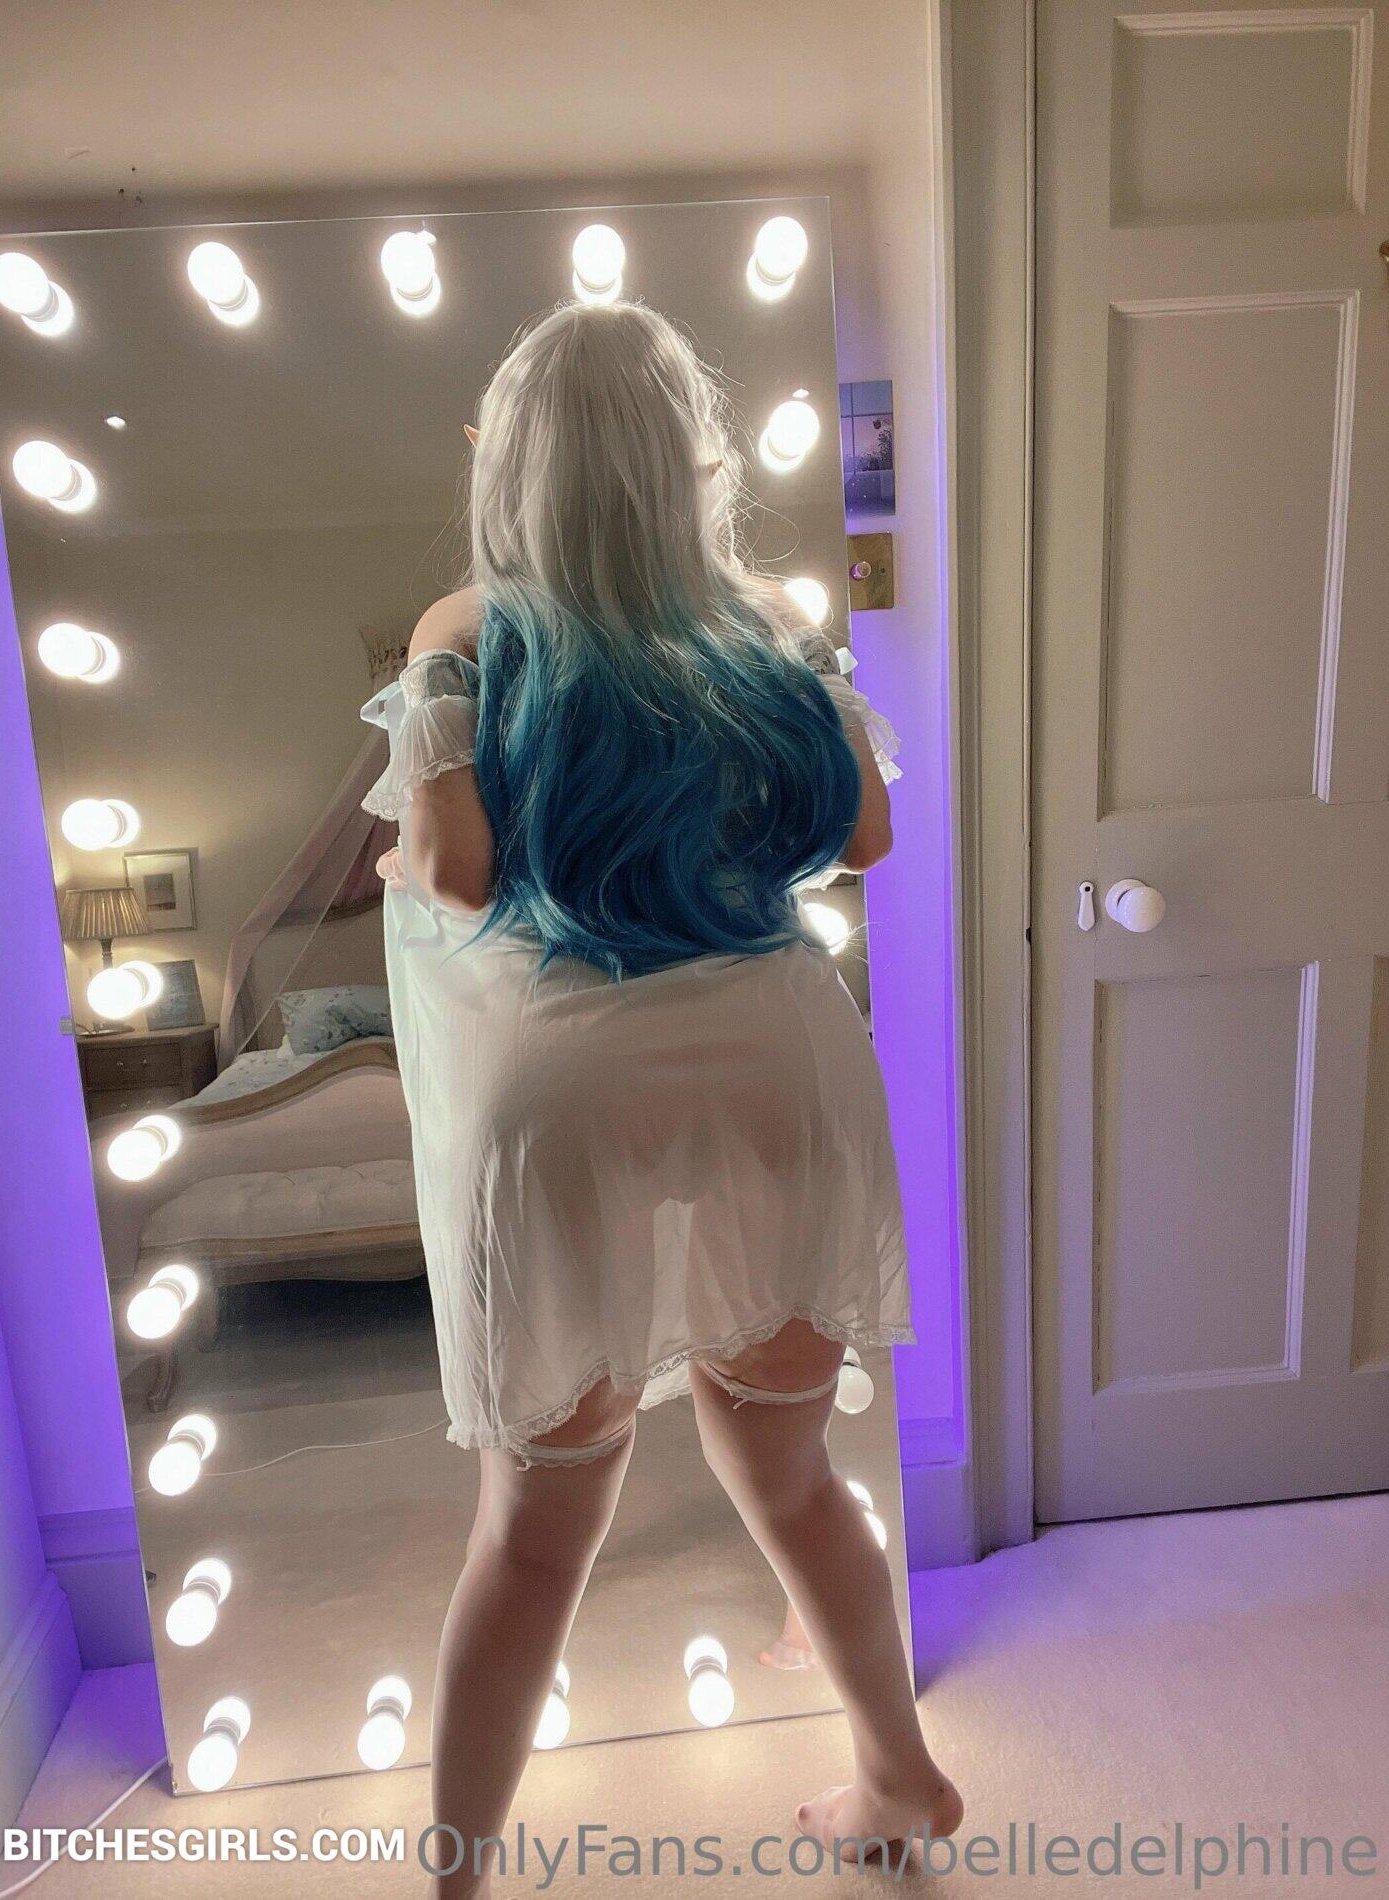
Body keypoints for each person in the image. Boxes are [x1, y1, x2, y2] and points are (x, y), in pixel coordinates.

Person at [362, 300, 962, 1895]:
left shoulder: (469, 626)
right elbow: (864, 837)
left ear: (516, 463)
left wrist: (406, 851)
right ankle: (897, 1771)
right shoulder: (760, 625)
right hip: (774, 1053)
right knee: (790, 1471)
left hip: (566, 1078)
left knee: (535, 1525)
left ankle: (456, 1874)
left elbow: (456, 871)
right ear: (685, 459)